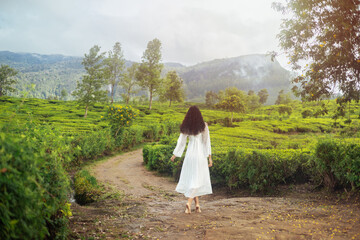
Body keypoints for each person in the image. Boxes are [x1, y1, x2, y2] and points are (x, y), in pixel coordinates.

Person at [170, 106, 213, 214]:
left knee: (194, 178)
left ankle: (197, 204)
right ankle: (189, 202)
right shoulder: (204, 125)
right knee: (196, 179)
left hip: (190, 155)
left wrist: (175, 154)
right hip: (200, 155)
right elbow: (206, 142)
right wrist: (209, 157)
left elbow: (181, 142)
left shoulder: (186, 126)